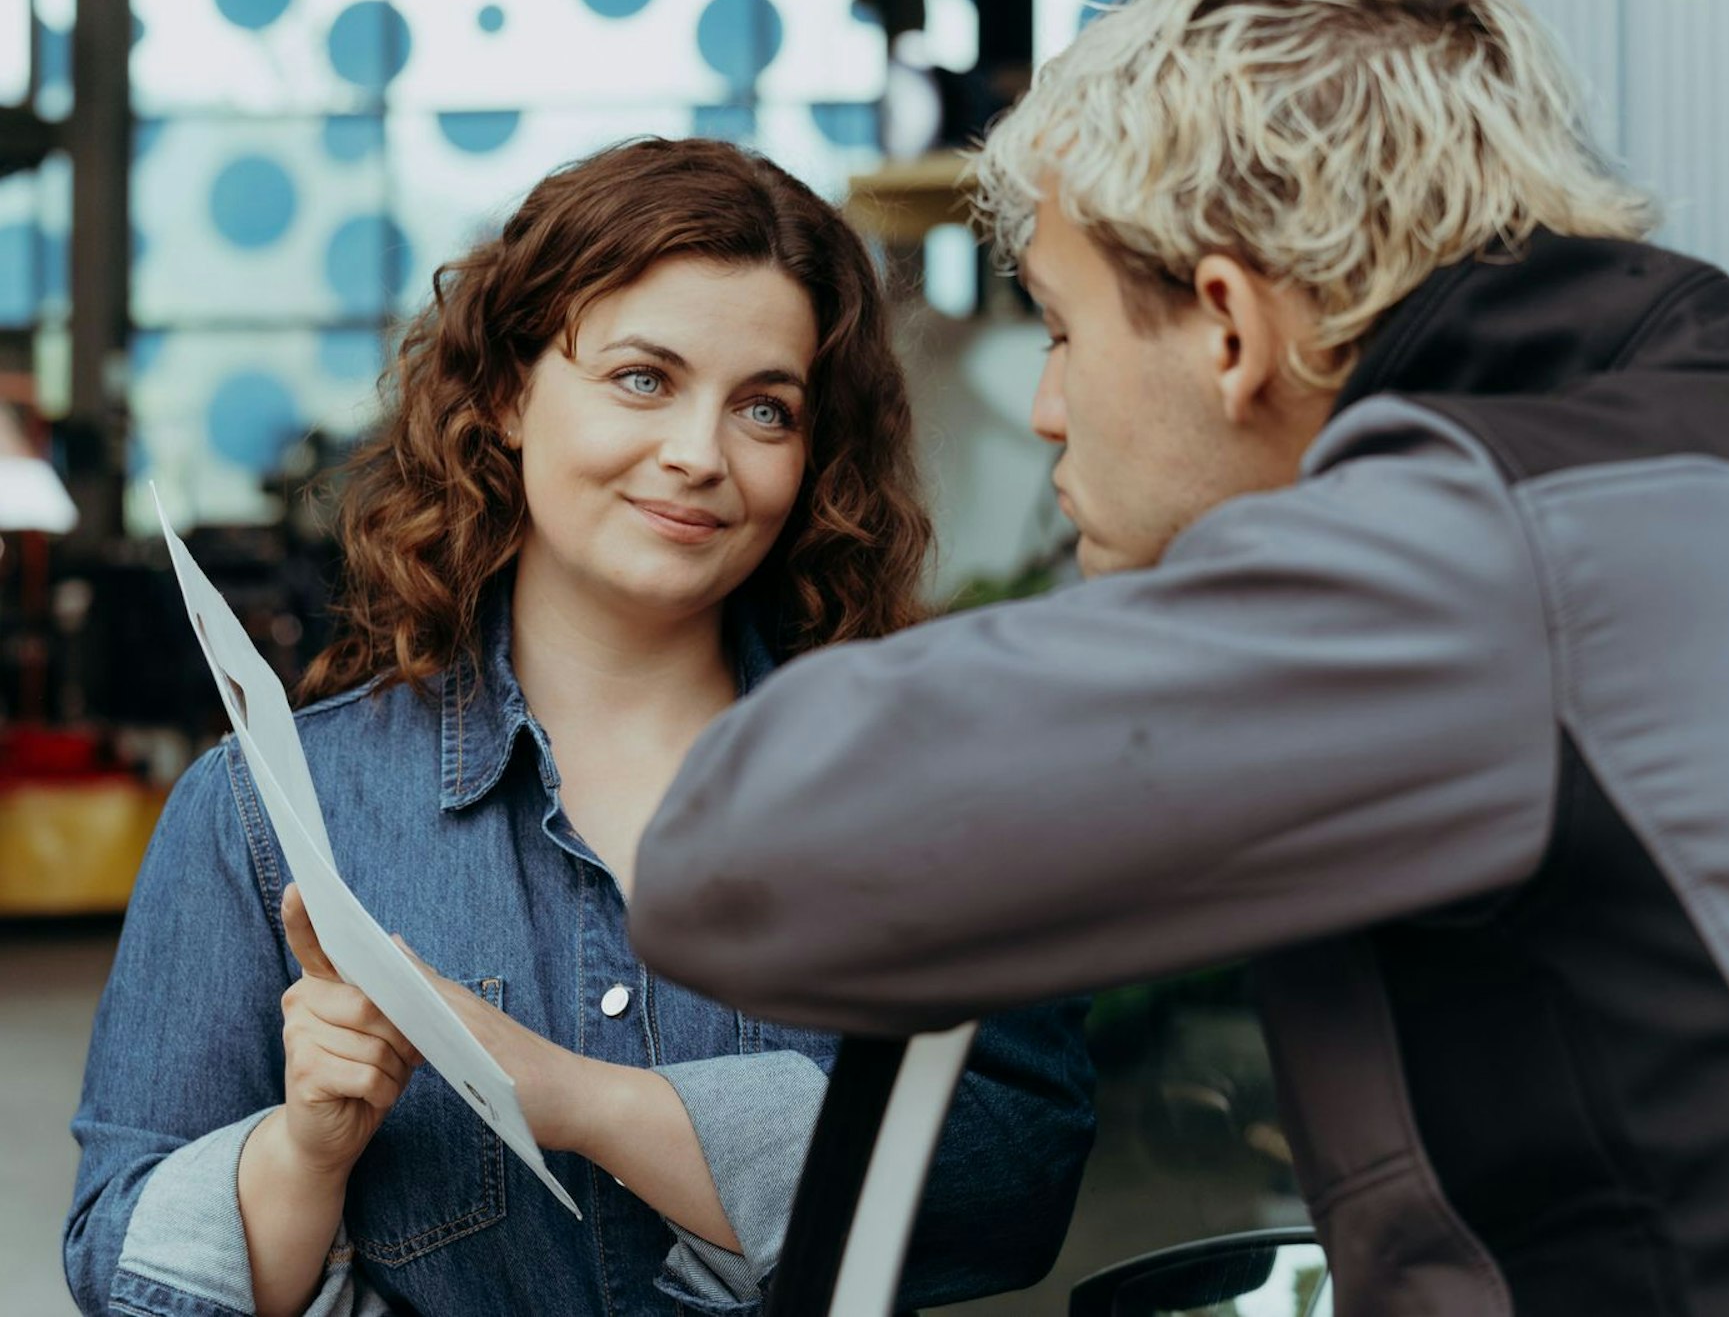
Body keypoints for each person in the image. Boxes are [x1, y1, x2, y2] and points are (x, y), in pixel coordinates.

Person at [630, 0, 1729, 1315]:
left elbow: (741, 852)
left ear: (1228, 327)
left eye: (1061, 328)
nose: (1050, 407)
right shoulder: (1700, 419)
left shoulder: (1469, 557)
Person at [64, 137, 1095, 1317]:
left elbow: (1013, 1176)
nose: (699, 456)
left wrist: (575, 1097)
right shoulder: (265, 813)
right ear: (506, 393)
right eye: (643, 379)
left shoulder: (919, 789)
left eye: (765, 408)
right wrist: (305, 1149)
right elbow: (121, 1260)